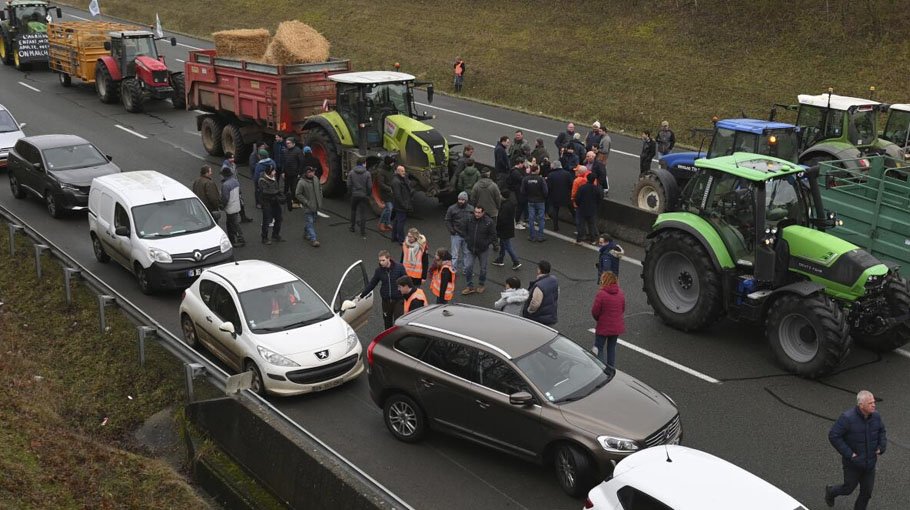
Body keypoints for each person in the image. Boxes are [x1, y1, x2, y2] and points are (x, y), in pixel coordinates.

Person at [825, 390, 886, 510]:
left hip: (870, 464)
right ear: (861, 405)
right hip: (853, 464)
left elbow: (882, 432)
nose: (874, 405)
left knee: (866, 493)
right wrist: (850, 454)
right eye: (870, 403)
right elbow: (833, 435)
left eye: (874, 402)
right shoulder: (847, 418)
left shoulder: (876, 416)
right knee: (848, 489)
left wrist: (881, 447)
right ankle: (831, 491)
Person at [362, 250, 408, 329]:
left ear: (388, 259)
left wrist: (409, 295)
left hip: (398, 300)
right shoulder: (378, 271)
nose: (381, 263)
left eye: (383, 260)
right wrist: (362, 295)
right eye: (380, 260)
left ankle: (398, 338)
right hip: (386, 301)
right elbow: (372, 284)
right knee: (387, 323)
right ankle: (388, 339)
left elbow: (407, 281)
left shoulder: (399, 268)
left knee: (398, 322)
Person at [591, 271, 625, 367]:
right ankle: (611, 368)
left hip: (603, 327)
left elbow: (595, 311)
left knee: (599, 348)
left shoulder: (601, 294)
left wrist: (599, 319)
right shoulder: (621, 293)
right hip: (616, 328)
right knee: (611, 348)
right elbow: (623, 308)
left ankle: (601, 368)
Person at [461, 205, 497, 295]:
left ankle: (481, 284)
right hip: (471, 248)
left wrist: (486, 243)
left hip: (483, 250)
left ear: (483, 212)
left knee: (483, 269)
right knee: (468, 267)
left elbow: (493, 235)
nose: (476, 214)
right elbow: (464, 230)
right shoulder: (469, 219)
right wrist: (467, 239)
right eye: (475, 212)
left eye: (479, 212)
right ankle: (470, 286)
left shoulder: (489, 222)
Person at [521, 260, 559, 326]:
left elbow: (535, 303)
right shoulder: (554, 279)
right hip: (550, 315)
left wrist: (529, 310)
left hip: (538, 318)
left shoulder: (539, 286)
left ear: (539, 270)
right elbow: (556, 293)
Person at [492, 190, 521, 270]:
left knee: (507, 245)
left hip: (504, 229)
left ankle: (516, 261)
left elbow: (502, 219)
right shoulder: (511, 204)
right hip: (508, 228)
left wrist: (497, 226)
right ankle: (500, 259)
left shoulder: (504, 206)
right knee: (503, 244)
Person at [444, 191, 473, 274]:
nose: (461, 201)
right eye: (459, 199)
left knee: (467, 253)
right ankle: (453, 270)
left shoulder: (471, 209)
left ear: (466, 200)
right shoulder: (452, 208)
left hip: (467, 235)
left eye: (463, 200)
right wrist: (452, 230)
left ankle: (466, 270)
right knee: (454, 255)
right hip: (456, 235)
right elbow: (447, 220)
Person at [295, 166, 323, 247]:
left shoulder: (315, 179)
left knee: (311, 222)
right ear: (306, 173)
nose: (312, 173)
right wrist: (306, 202)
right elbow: (297, 194)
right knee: (310, 223)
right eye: (310, 172)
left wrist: (320, 195)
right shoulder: (301, 182)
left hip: (316, 206)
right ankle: (313, 239)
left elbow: (319, 188)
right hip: (308, 207)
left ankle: (305, 233)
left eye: (313, 172)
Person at [225, 150, 255, 223]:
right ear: (227, 159)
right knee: (233, 204)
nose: (233, 159)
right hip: (231, 188)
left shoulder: (233, 165)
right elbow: (225, 180)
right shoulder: (225, 168)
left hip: (236, 186)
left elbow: (236, 176)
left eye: (233, 158)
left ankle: (243, 217)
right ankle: (232, 221)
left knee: (241, 202)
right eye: (231, 158)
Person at [522, 163, 548, 242]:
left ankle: (532, 236)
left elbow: (522, 191)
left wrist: (528, 197)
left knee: (531, 218)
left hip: (530, 201)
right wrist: (543, 197)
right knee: (541, 219)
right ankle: (540, 236)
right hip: (540, 201)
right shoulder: (541, 179)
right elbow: (545, 191)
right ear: (536, 170)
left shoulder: (526, 179)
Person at [258, 165, 284, 244]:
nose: (275, 172)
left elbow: (276, 188)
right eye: (273, 171)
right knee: (266, 220)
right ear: (269, 172)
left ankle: (275, 234)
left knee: (279, 218)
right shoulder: (262, 180)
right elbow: (266, 191)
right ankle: (264, 237)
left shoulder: (274, 178)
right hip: (266, 202)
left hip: (275, 201)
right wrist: (277, 192)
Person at [220, 166, 245, 247]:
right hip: (236, 205)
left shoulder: (225, 185)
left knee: (234, 223)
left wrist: (222, 206)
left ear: (224, 175)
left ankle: (240, 239)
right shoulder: (235, 181)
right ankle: (232, 238)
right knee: (231, 223)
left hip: (230, 207)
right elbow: (240, 192)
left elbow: (225, 198)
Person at [347, 158, 372, 238]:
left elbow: (349, 185)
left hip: (354, 195)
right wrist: (368, 194)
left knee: (353, 210)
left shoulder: (351, 172)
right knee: (363, 213)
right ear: (363, 164)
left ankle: (352, 227)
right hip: (363, 195)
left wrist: (351, 193)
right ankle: (362, 231)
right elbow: (369, 186)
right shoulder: (367, 173)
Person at [546, 160, 573, 233]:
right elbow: (571, 185)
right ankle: (578, 223)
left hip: (555, 196)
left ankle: (556, 227)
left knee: (555, 211)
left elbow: (549, 187)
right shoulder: (567, 174)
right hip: (566, 196)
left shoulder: (551, 175)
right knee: (572, 210)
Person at [575, 173, 601, 244]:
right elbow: (599, 199)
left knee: (581, 225)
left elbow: (577, 198)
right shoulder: (596, 189)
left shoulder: (582, 187)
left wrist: (579, 205)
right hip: (592, 209)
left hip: (582, 208)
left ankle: (579, 239)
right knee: (591, 225)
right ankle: (592, 239)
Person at [391, 165, 413, 243]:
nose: (404, 173)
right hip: (400, 206)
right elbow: (398, 196)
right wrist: (404, 205)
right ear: (397, 171)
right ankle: (401, 239)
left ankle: (394, 237)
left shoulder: (400, 179)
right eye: (402, 171)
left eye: (404, 171)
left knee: (397, 220)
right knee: (401, 222)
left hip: (399, 205)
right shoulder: (396, 182)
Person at [282, 137, 304, 209]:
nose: (287, 144)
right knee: (286, 187)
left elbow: (301, 163)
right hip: (287, 173)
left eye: (288, 143)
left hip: (295, 174)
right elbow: (284, 162)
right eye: (286, 143)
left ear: (293, 143)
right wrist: (283, 172)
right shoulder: (285, 151)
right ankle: (284, 199)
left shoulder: (298, 151)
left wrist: (299, 173)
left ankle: (295, 201)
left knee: (294, 188)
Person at [376, 154, 396, 232]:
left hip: (391, 193)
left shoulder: (390, 169)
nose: (393, 164)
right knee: (389, 208)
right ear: (389, 163)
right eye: (392, 163)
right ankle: (381, 224)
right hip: (385, 193)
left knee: (388, 209)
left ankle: (387, 223)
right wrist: (389, 189)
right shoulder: (381, 172)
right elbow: (381, 184)